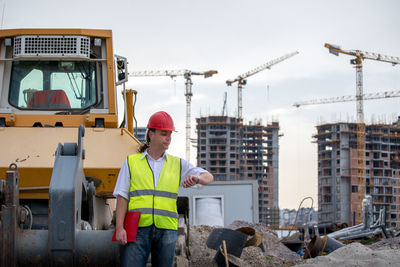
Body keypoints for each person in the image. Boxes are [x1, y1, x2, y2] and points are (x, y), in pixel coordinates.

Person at [113, 111, 213, 267]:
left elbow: (209, 178)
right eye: (164, 134)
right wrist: (119, 228)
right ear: (151, 134)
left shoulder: (177, 164)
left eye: (170, 134)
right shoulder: (131, 163)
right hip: (137, 228)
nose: (168, 138)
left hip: (167, 229)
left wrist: (197, 178)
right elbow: (122, 196)